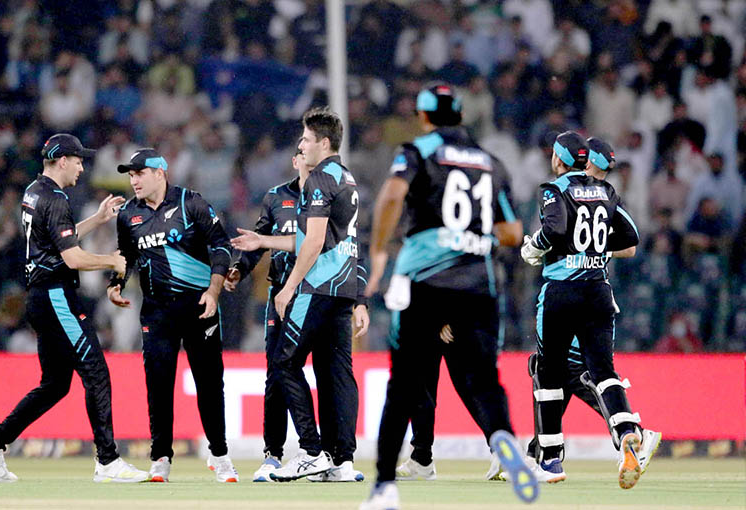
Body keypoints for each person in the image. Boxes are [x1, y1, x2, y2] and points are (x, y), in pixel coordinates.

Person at [360, 83, 538, 510]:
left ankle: (385, 486)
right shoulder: (491, 163)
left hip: (426, 277)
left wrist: (381, 251)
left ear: (424, 117)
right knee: (483, 378)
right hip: (480, 281)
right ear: (460, 115)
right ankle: (502, 440)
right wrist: (473, 235)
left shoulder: (418, 151)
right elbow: (514, 233)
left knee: (404, 382)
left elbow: (391, 196)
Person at [0, 134, 150, 483]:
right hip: (55, 296)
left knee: (54, 385)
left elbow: (58, 239)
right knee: (96, 372)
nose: (83, 167)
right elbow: (72, 256)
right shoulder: (56, 199)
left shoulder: (35, 192)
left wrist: (96, 220)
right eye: (78, 160)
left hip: (41, 296)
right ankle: (108, 462)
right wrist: (112, 260)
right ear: (62, 161)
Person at [508, 137, 661, 482]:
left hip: (562, 292)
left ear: (558, 160)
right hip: (598, 293)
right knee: (603, 370)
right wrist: (595, 249)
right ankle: (627, 435)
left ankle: (549, 460)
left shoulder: (553, 189)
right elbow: (631, 235)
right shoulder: (606, 191)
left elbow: (555, 227)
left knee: (548, 372)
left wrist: (534, 246)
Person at [232, 108, 370, 482]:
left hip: (317, 286)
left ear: (323, 143)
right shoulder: (347, 178)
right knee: (337, 373)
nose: (301, 145)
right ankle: (342, 460)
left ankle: (311, 450)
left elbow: (312, 242)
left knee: (284, 363)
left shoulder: (319, 179)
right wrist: (262, 240)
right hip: (343, 287)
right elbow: (341, 240)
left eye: (306, 139)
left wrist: (290, 286)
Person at [106, 148, 237, 483]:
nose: (133, 180)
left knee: (209, 383)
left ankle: (220, 455)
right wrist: (116, 283)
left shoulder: (191, 203)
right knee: (158, 384)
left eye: (139, 173)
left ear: (160, 173)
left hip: (199, 306)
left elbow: (221, 246)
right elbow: (125, 254)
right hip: (157, 311)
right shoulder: (128, 215)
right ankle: (160, 457)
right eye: (130, 175)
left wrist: (213, 290)